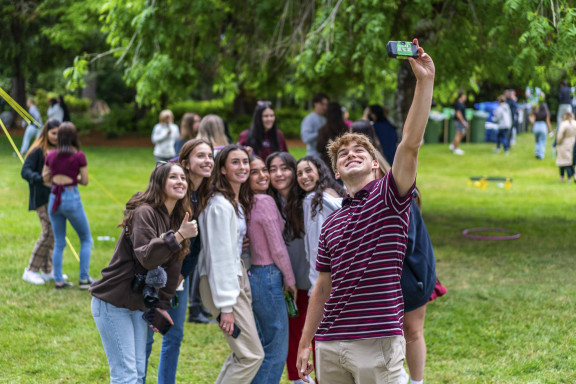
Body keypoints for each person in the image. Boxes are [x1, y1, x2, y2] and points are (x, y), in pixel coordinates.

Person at [296, 39, 434, 384]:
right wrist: (305, 341)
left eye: (361, 150)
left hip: (377, 343)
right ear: (337, 172)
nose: (351, 153)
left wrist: (424, 81)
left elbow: (410, 144)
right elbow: (322, 287)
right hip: (329, 343)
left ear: (376, 165)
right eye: (343, 154)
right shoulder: (332, 221)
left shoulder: (390, 197)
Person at [90, 162, 197, 384]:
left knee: (138, 373)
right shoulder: (144, 213)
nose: (180, 182)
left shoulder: (177, 218)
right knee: (126, 375)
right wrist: (178, 236)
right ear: (159, 182)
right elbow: (147, 257)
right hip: (113, 302)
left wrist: (161, 305)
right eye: (173, 177)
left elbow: (174, 266)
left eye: (183, 178)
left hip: (139, 304)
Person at [144, 139, 215, 384]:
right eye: (201, 156)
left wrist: (183, 274)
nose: (207, 160)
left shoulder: (203, 193)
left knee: (174, 334)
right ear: (185, 162)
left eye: (210, 156)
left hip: (180, 275)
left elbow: (196, 242)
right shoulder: (173, 190)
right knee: (148, 335)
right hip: (157, 274)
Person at [197, 145, 265, 383]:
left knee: (242, 354)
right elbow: (219, 257)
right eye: (235, 162)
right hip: (223, 283)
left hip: (236, 276)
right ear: (222, 169)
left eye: (245, 162)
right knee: (251, 355)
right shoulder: (218, 205)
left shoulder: (232, 202)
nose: (243, 167)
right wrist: (226, 306)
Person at [247, 155, 297, 384]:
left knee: (265, 344)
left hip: (255, 277)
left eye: (264, 170)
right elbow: (277, 248)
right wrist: (290, 280)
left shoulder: (247, 202)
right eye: (254, 172)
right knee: (276, 348)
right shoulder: (264, 201)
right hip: (269, 276)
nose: (263, 175)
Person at [266, 152, 313, 384]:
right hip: (286, 278)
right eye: (273, 169)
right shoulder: (267, 201)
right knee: (293, 330)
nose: (279, 174)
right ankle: (298, 379)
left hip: (313, 276)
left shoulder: (309, 198)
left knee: (316, 329)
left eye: (284, 168)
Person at [42, 122, 93, 289]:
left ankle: (58, 281)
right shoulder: (79, 156)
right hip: (71, 197)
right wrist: (74, 179)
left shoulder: (50, 155)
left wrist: (57, 179)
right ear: (73, 137)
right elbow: (85, 181)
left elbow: (45, 178)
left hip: (54, 198)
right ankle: (84, 280)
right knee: (86, 239)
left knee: (59, 242)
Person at [296, 156, 345, 292]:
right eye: (299, 174)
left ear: (319, 171)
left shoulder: (313, 200)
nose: (304, 176)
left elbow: (316, 246)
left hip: (325, 280)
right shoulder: (336, 193)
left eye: (308, 170)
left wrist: (316, 285)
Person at [21, 118, 60, 285]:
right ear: (46, 132)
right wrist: (39, 178)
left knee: (54, 234)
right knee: (48, 233)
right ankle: (31, 270)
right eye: (53, 133)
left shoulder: (60, 150)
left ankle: (47, 270)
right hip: (42, 198)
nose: (56, 137)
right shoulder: (38, 150)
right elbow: (25, 171)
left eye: (59, 134)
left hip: (56, 197)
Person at [316, 102, 350, 171]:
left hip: (328, 164)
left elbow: (319, 148)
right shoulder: (346, 129)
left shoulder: (323, 130)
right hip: (344, 163)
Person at [301, 93, 329, 158]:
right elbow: (305, 138)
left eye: (326, 105)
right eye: (322, 104)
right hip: (313, 157)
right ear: (315, 103)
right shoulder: (309, 119)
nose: (325, 107)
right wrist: (321, 133)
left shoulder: (325, 119)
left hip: (324, 157)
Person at [529, 93, 553, 160]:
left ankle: (537, 152)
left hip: (536, 126)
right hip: (543, 125)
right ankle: (541, 154)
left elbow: (532, 118)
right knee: (542, 140)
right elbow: (547, 121)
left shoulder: (535, 106)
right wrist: (551, 130)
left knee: (537, 140)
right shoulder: (545, 108)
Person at [555, 111, 576, 183]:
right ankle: (571, 177)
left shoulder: (564, 124)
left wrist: (558, 142)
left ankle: (563, 178)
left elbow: (559, 136)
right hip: (573, 143)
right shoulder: (574, 123)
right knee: (570, 162)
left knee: (563, 162)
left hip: (564, 144)